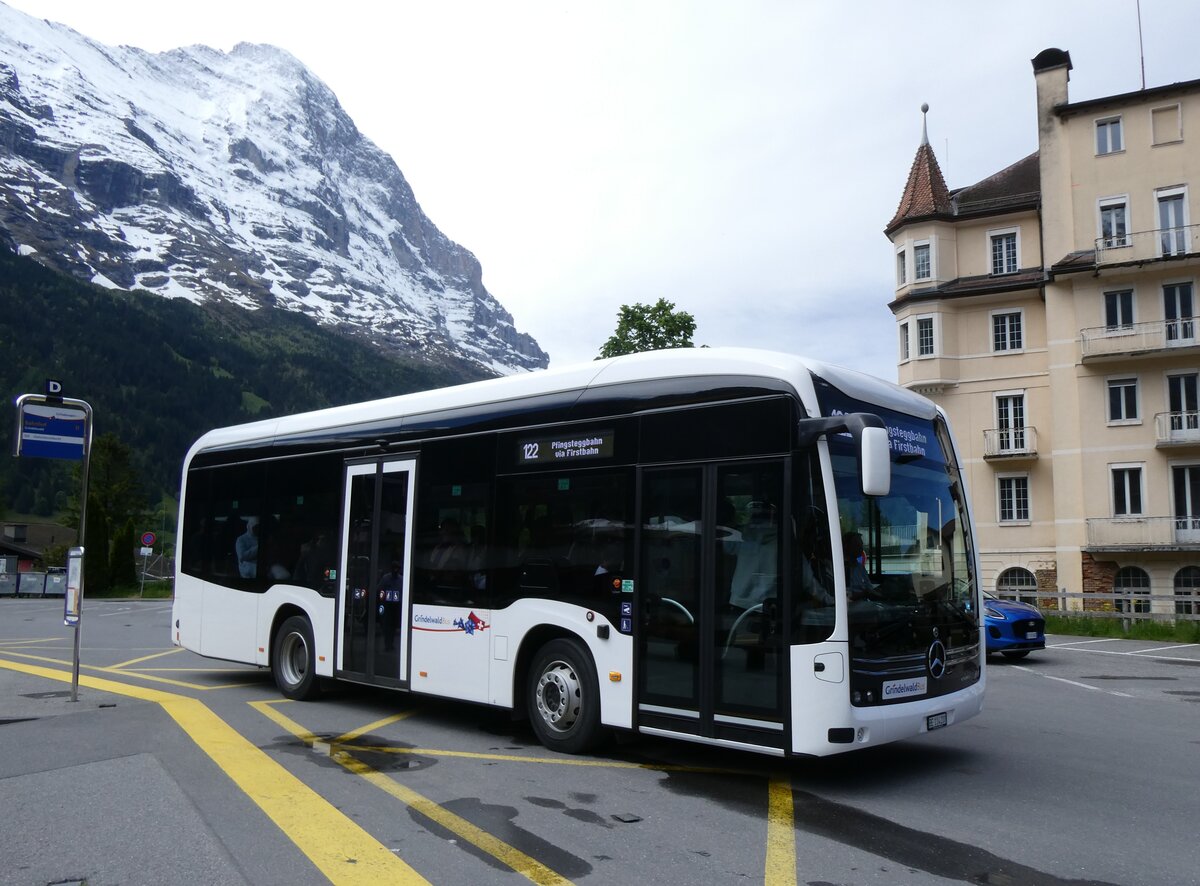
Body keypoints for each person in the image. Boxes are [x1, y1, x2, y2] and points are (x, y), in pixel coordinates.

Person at [843, 531, 878, 600]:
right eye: (858, 545)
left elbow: (869, 586)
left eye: (861, 545)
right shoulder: (843, 568)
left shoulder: (860, 567)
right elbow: (846, 595)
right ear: (848, 547)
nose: (861, 549)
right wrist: (864, 593)